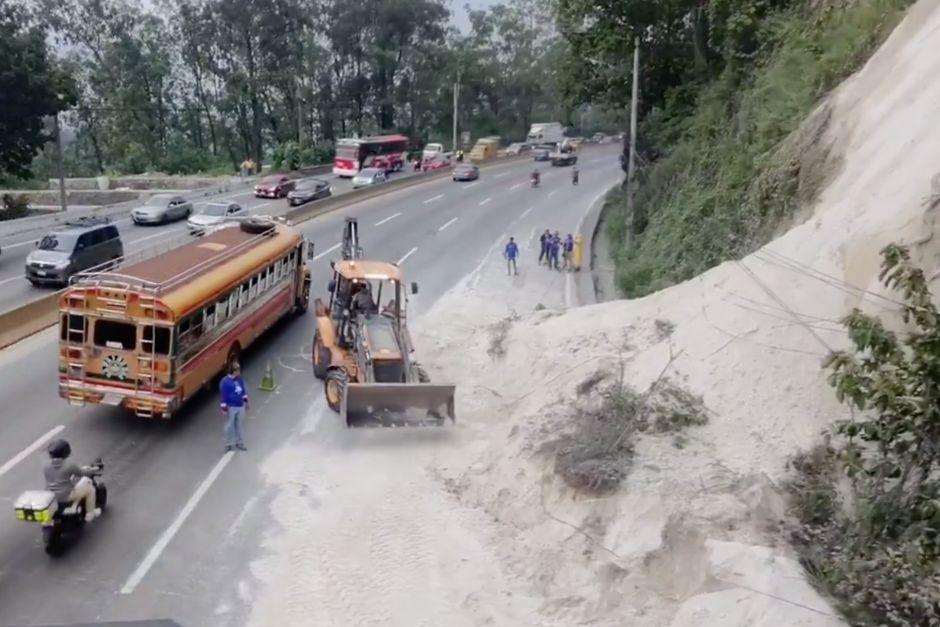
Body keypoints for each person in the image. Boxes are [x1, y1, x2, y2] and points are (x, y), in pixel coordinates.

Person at [43, 439, 100, 523]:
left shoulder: (45, 465)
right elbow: (82, 473)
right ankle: (90, 514)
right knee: (90, 489)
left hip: (50, 496)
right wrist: (94, 470)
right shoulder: (69, 465)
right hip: (66, 496)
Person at [220, 362, 249, 452]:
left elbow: (243, 391)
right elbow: (223, 396)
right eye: (238, 370)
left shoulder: (239, 379)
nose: (239, 371)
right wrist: (224, 408)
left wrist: (246, 402)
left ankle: (239, 442)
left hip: (240, 406)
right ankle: (228, 444)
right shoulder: (225, 382)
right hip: (231, 407)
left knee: (239, 425)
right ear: (233, 371)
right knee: (229, 426)